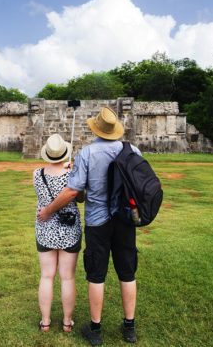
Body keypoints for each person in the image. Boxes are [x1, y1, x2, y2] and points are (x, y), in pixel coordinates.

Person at [38, 107, 141, 345]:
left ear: (96, 128)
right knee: (127, 272)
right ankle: (129, 327)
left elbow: (74, 192)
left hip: (98, 221)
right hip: (126, 220)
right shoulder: (133, 150)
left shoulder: (88, 153)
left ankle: (95, 329)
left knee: (97, 275)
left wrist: (49, 210)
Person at [33, 134, 82, 333]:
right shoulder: (72, 174)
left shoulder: (37, 174)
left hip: (45, 228)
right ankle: (67, 322)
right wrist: (73, 174)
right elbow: (80, 199)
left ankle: (45, 322)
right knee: (67, 277)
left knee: (46, 276)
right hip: (69, 229)